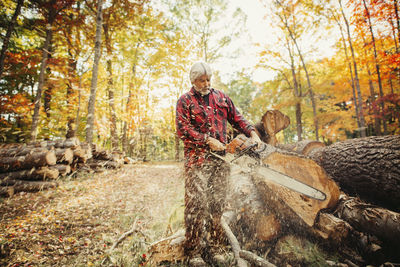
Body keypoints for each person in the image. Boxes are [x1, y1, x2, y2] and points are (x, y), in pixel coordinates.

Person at [176, 62, 262, 266]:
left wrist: (252, 133)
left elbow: (237, 118)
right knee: (196, 206)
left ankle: (216, 247)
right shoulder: (185, 101)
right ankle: (194, 251)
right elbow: (182, 129)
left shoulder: (221, 97)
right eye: (201, 80)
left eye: (208, 79)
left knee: (218, 205)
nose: (206, 83)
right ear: (193, 81)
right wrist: (206, 139)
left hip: (222, 160)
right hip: (197, 161)